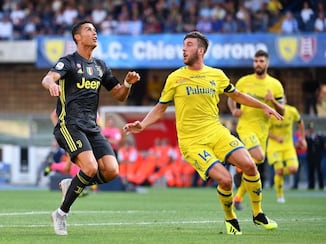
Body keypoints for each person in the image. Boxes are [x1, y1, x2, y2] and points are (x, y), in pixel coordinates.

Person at [123, 31, 282, 235]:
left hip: (216, 132)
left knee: (250, 165)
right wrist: (143, 125)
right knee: (225, 180)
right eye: (183, 45)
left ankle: (258, 213)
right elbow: (161, 107)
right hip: (192, 142)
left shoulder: (217, 75)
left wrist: (264, 107)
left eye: (188, 45)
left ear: (200, 50)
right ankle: (230, 218)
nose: (183, 49)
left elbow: (238, 95)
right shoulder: (175, 78)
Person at [41, 20, 140, 236]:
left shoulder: (100, 66)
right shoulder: (68, 61)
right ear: (77, 37)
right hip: (70, 124)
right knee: (90, 168)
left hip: (92, 127)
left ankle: (73, 183)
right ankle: (61, 214)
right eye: (89, 30)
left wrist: (129, 84)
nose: (94, 33)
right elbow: (48, 78)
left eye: (95, 30)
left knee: (112, 170)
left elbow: (120, 95)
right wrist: (52, 85)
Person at [227, 49, 285, 211]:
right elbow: (232, 98)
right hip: (245, 126)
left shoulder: (275, 85)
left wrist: (272, 101)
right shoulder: (244, 81)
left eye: (261, 61)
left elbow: (283, 111)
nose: (257, 64)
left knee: (253, 167)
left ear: (267, 63)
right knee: (258, 156)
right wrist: (233, 110)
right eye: (255, 61)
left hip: (263, 130)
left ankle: (237, 198)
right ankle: (238, 165)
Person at [267, 102, 307, 203]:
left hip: (288, 146)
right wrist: (276, 137)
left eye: (282, 99)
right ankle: (280, 195)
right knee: (279, 169)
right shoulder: (270, 113)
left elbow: (300, 122)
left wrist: (302, 138)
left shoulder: (292, 111)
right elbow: (264, 131)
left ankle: (279, 172)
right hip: (274, 147)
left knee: (293, 169)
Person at [305, 122, 325, 190]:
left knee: (319, 171)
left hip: (318, 157)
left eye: (312, 129)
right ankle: (311, 186)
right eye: (310, 129)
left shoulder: (318, 137)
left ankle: (321, 185)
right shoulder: (306, 138)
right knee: (311, 171)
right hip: (310, 157)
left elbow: (323, 146)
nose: (311, 130)